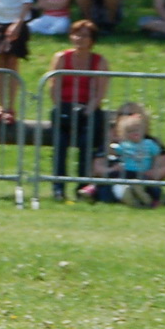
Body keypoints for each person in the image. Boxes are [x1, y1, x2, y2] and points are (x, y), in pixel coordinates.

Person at [46, 20, 108, 200]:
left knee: (86, 143)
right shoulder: (61, 58)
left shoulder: (99, 61)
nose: (79, 39)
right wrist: (60, 106)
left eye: (85, 35)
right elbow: (53, 86)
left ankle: (82, 187)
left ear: (92, 40)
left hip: (89, 109)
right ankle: (58, 188)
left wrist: (88, 110)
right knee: (60, 144)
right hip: (64, 106)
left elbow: (99, 92)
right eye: (76, 34)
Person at [88, 111, 165, 206]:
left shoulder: (150, 143)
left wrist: (154, 171)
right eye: (130, 131)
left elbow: (159, 158)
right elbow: (105, 157)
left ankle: (144, 198)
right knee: (111, 182)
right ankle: (128, 196)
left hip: (142, 174)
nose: (134, 133)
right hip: (124, 173)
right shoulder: (124, 145)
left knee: (149, 186)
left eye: (137, 130)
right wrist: (112, 168)